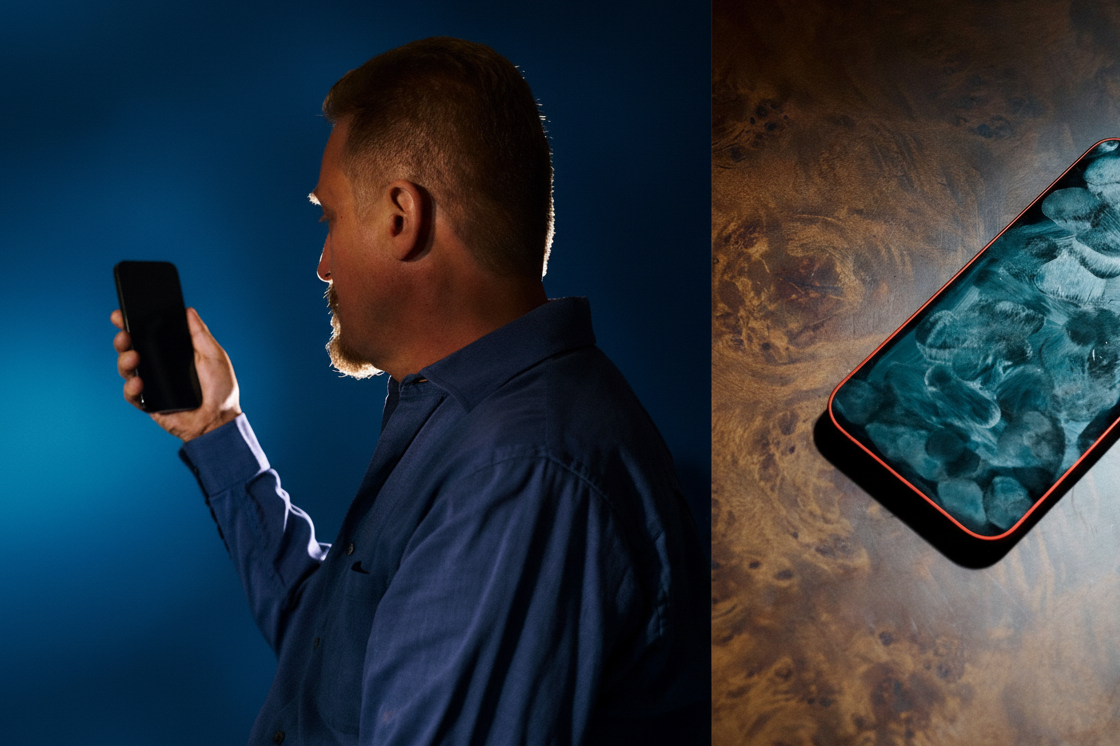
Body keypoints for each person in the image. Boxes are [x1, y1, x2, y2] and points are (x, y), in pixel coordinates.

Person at [110, 37, 707, 745]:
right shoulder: (475, 426)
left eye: (330, 217)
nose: (323, 264)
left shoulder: (519, 471)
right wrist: (214, 426)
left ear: (401, 215)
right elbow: (336, 661)